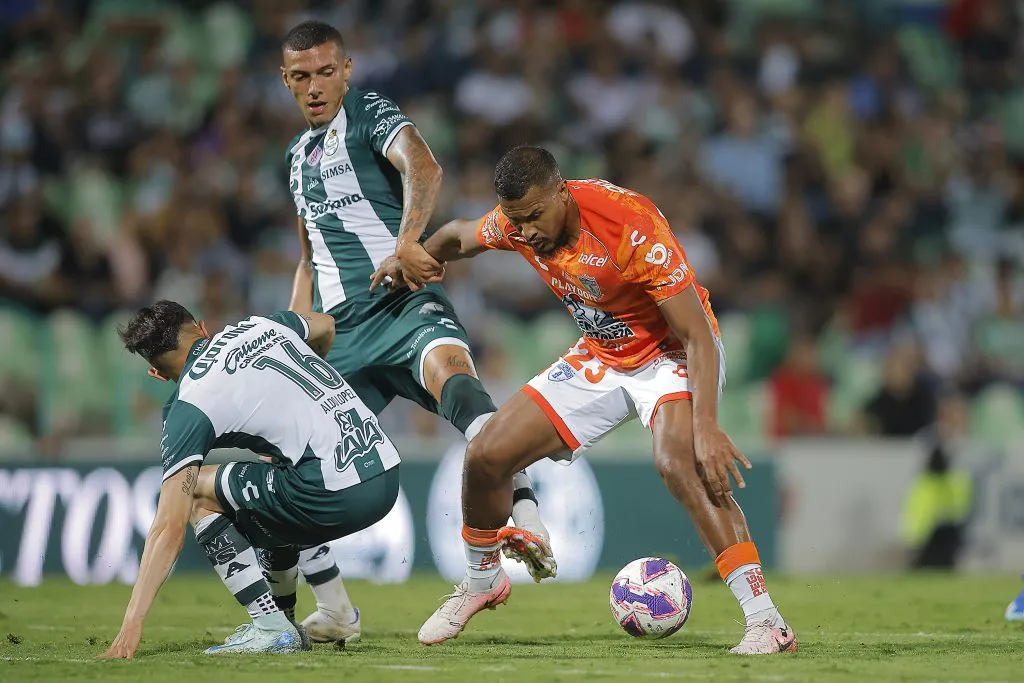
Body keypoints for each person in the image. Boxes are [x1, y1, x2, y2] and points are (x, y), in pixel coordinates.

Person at [377, 146, 797, 654]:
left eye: (534, 217)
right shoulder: (517, 220)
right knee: (486, 453)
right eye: (517, 220)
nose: (526, 232)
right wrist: (414, 254)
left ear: (561, 191)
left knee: (679, 462)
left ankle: (766, 621)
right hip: (602, 353)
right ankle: (481, 581)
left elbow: (698, 336)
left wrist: (705, 425)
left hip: (669, 352)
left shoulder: (628, 225)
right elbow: (462, 236)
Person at [278, 21, 553, 642]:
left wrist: (405, 243)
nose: (316, 87)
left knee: (456, 380)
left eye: (327, 72)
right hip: (338, 334)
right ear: (286, 80)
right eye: (302, 76)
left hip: (398, 305)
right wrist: (296, 330)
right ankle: (334, 612)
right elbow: (307, 256)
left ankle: (528, 512)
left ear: (347, 70)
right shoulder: (296, 158)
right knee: (292, 459)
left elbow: (425, 170)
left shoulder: (371, 113)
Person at [98, 301, 400, 658]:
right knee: (266, 496)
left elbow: (168, 526)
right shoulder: (263, 325)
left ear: (158, 374)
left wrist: (131, 623)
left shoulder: (189, 405)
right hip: (386, 469)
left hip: (333, 493)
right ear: (203, 327)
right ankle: (320, 615)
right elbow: (326, 325)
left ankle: (271, 627)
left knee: (197, 494)